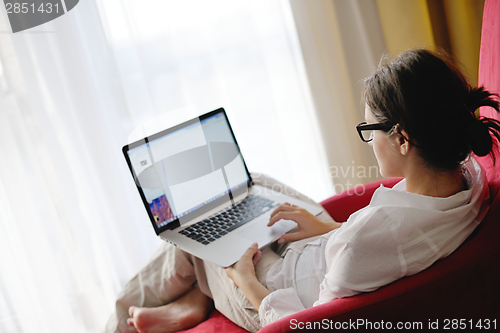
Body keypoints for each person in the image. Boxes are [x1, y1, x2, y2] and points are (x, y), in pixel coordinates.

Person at [105, 49, 500, 333]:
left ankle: (124, 320)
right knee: (250, 185)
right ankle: (197, 298)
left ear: (402, 140)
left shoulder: (365, 243)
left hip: (277, 289)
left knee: (191, 221)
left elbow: (299, 326)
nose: (367, 141)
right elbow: (386, 241)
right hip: (329, 246)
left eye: (369, 131)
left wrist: (244, 279)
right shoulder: (467, 180)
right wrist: (327, 228)